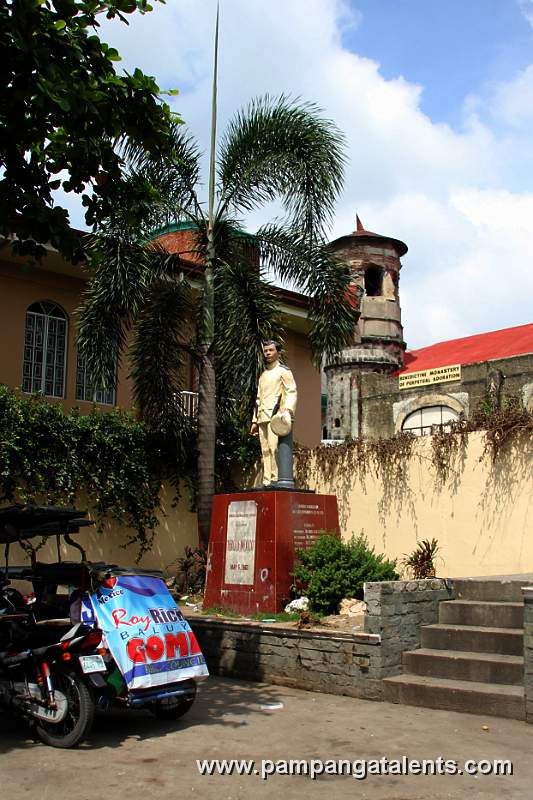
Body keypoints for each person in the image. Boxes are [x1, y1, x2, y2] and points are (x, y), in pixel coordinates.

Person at [250, 340, 297, 486]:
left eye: (271, 350)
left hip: (275, 415)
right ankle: (266, 480)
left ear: (278, 352)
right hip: (262, 415)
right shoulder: (263, 375)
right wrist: (254, 421)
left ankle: (276, 478)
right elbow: (258, 399)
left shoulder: (284, 371)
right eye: (266, 351)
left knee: (273, 447)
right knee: (264, 450)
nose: (268, 353)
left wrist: (287, 408)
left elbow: (291, 391)